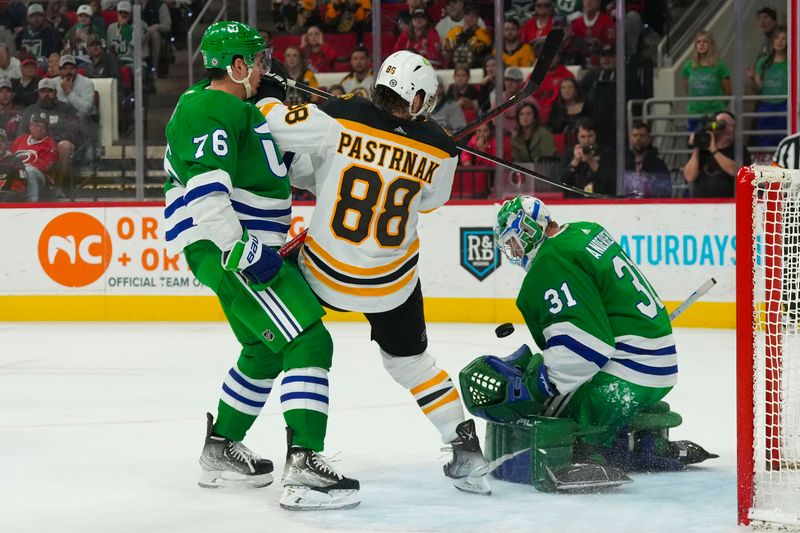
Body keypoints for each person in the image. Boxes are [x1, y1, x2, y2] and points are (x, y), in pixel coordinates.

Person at [256, 50, 492, 495]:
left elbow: (275, 126)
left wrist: (271, 89)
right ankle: (464, 449)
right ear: (417, 95)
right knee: (413, 365)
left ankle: (250, 438)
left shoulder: (340, 115)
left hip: (323, 274)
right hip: (391, 285)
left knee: (284, 342)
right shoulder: (442, 148)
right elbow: (429, 202)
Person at [162, 21, 358, 510]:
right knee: (309, 338)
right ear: (236, 66)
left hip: (242, 249)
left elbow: (297, 174)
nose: (266, 69)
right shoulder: (210, 106)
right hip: (231, 250)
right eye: (258, 60)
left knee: (264, 350)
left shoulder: (246, 114)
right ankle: (306, 464)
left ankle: (221, 445)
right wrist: (245, 251)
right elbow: (207, 197)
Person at [458, 195, 715, 492]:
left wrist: (537, 386)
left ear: (529, 231)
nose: (512, 251)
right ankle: (648, 442)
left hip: (627, 377)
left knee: (554, 408)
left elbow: (586, 347)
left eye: (513, 240)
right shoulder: (584, 231)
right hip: (660, 369)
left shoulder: (550, 261)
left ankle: (593, 452)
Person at [17, 77, 79, 187]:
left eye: (50, 91)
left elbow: (74, 132)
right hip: (35, 147)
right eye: (43, 91)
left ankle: (58, 186)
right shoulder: (30, 110)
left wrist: (51, 141)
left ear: (55, 93)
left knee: (64, 146)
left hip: (57, 145)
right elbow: (21, 133)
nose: (46, 94)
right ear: (38, 93)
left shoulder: (66, 109)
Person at [683, 110, 752, 198]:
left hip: (730, 203)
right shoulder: (702, 149)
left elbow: (736, 171)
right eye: (723, 125)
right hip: (701, 204)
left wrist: (714, 150)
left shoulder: (739, 149)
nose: (730, 129)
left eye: (733, 126)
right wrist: (697, 146)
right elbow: (689, 176)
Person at [681, 30, 731, 131]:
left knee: (714, 142)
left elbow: (728, 91)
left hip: (714, 113)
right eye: (698, 42)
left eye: (705, 41)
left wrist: (719, 107)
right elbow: (688, 91)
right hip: (695, 113)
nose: (701, 44)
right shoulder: (688, 66)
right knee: (694, 142)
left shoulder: (720, 66)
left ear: (711, 44)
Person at [748, 27, 788, 147]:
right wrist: (752, 78)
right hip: (766, 105)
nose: (780, 42)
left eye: (783, 38)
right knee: (764, 140)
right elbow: (758, 89)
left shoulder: (792, 61)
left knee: (784, 141)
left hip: (784, 104)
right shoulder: (763, 62)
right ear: (772, 41)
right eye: (777, 38)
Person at [562, 117, 615, 196]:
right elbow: (562, 183)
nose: (586, 141)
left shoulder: (607, 153)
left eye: (590, 136)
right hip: (575, 202)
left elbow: (611, 183)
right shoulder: (570, 153)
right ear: (577, 137)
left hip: (601, 200)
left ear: (596, 135)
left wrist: (592, 161)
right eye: (583, 137)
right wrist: (575, 161)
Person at [10, 114, 57, 201]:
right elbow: (9, 155)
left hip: (41, 177)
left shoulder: (49, 143)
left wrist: (22, 167)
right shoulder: (21, 139)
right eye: (36, 126)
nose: (39, 129)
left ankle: (32, 203)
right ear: (30, 127)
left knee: (30, 171)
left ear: (47, 130)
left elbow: (44, 166)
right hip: (18, 172)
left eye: (43, 127)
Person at [624, 122, 671, 198]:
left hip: (650, 205)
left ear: (649, 139)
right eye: (635, 135)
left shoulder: (658, 164)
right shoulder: (624, 162)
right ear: (631, 138)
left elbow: (666, 190)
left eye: (642, 136)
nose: (638, 138)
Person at [546, 77, 592, 147]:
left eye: (570, 87)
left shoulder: (586, 105)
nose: (566, 90)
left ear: (576, 90)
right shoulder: (556, 107)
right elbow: (551, 127)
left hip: (583, 141)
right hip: (562, 143)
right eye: (563, 88)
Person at [442, 4, 491, 69]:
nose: (470, 18)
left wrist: (465, 35)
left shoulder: (483, 33)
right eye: (467, 15)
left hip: (476, 68)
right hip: (456, 68)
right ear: (464, 16)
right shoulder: (455, 30)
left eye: (473, 15)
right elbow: (447, 48)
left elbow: (478, 49)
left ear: (478, 18)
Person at [568, 0, 615, 66]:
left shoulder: (607, 20)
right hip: (581, 62)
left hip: (601, 62)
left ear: (598, 3)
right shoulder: (576, 22)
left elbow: (609, 44)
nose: (588, 2)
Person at [107, 1, 151, 67]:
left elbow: (135, 44)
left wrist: (124, 27)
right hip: (118, 61)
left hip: (137, 62)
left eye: (126, 13)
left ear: (131, 14)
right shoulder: (111, 28)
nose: (123, 15)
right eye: (120, 12)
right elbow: (110, 49)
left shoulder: (140, 25)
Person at [55, 54, 96, 118]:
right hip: (62, 121)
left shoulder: (86, 82)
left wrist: (68, 92)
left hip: (85, 121)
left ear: (76, 69)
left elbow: (86, 109)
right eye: (65, 68)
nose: (68, 71)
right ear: (60, 70)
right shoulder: (54, 83)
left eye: (71, 68)